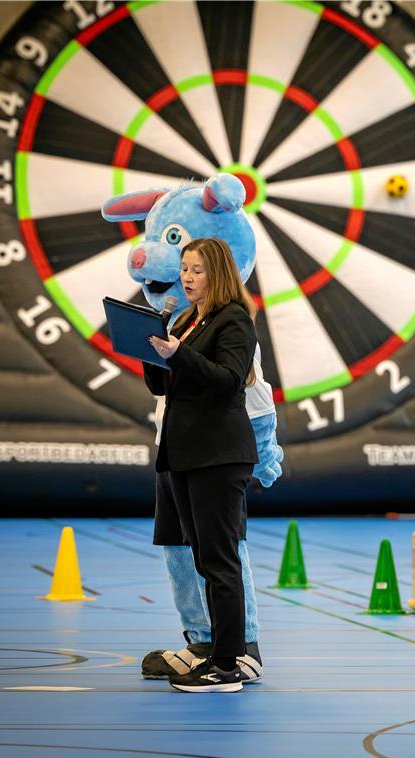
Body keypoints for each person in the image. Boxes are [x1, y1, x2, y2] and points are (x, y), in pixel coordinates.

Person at [145, 237, 261, 692]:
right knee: (203, 558)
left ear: (218, 273)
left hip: (218, 455)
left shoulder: (233, 318)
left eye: (197, 270)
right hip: (189, 454)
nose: (188, 278)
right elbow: (168, 384)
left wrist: (179, 355)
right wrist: (152, 353)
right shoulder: (190, 319)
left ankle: (229, 664)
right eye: (185, 269)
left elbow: (229, 381)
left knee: (219, 561)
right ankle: (216, 652)